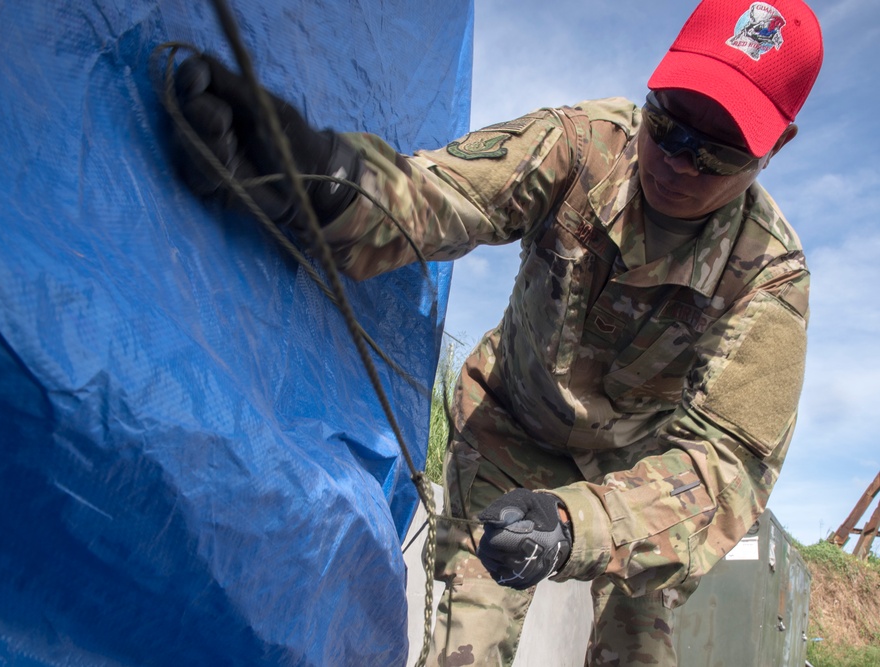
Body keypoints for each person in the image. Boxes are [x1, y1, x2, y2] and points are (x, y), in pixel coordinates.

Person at [169, 0, 823, 664]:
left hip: (639, 487)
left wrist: (574, 524)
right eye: (668, 124)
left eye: (716, 152)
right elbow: (450, 194)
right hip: (512, 433)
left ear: (776, 146)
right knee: (467, 649)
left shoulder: (770, 279)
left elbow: (722, 472)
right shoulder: (582, 144)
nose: (680, 161)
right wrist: (324, 182)